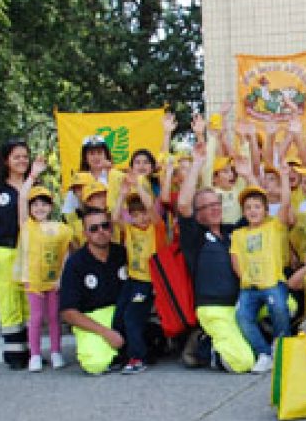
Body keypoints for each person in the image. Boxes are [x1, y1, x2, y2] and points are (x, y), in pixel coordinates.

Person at [176, 142, 256, 374]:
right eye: (207, 206)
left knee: (286, 304)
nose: (215, 209)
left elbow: (260, 209)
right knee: (243, 363)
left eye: (216, 203)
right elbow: (183, 204)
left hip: (240, 304)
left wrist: (248, 176)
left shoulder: (231, 232)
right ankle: (205, 346)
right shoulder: (195, 236)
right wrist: (197, 163)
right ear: (197, 213)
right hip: (214, 309)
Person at [0, 139, 32, 369]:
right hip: (5, 250)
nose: (22, 161)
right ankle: (14, 352)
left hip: (30, 251)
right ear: (6, 160)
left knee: (30, 302)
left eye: (25, 157)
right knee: (9, 301)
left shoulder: (34, 185)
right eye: (16, 157)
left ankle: (32, 350)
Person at [16, 157, 73, 371]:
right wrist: (32, 175)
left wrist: (61, 278)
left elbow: (65, 253)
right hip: (33, 280)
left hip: (53, 281)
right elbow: (22, 198)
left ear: (50, 207)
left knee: (54, 317)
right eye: (35, 204)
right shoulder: (27, 226)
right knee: (36, 318)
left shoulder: (59, 228)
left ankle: (56, 352)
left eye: (44, 204)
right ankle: (35, 355)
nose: (39, 208)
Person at [230, 184, 293, 373]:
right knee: (242, 317)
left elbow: (286, 203)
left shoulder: (274, 226)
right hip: (249, 287)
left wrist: (284, 177)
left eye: (257, 207)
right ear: (243, 212)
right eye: (248, 208)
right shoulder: (238, 234)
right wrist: (245, 278)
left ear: (266, 210)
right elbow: (235, 259)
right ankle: (264, 353)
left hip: (272, 282)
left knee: (279, 307)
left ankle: (280, 346)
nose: (253, 211)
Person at [58, 208, 127, 375]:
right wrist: (105, 332)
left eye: (105, 226)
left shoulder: (123, 254)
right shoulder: (75, 263)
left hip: (123, 313)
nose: (101, 231)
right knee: (95, 364)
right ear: (85, 234)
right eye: (94, 228)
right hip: (92, 319)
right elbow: (68, 312)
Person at [111, 174, 167, 374]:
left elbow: (151, 208)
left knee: (132, 318)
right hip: (132, 280)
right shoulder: (129, 229)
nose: (140, 218)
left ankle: (138, 357)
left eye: (143, 213)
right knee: (119, 317)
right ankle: (123, 355)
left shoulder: (156, 229)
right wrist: (122, 194)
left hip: (148, 282)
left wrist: (139, 186)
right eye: (135, 214)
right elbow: (114, 218)